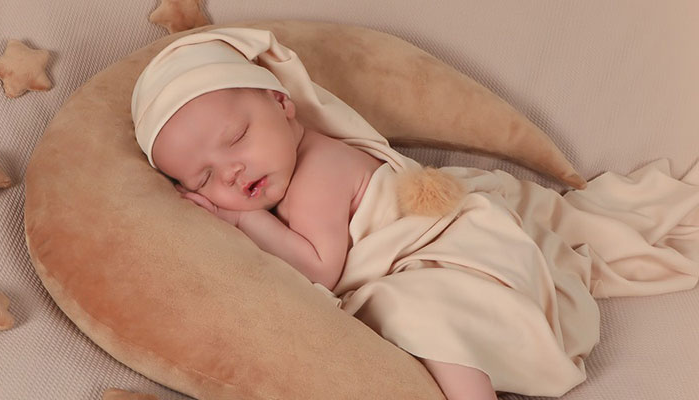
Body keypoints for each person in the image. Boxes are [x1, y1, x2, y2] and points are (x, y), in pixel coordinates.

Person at [132, 27, 699, 399]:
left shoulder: (317, 175)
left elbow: (320, 268)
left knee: (421, 313)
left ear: (283, 104)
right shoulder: (294, 163)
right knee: (415, 311)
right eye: (203, 179)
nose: (230, 173)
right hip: (443, 251)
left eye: (235, 138)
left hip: (458, 259)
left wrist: (242, 220)